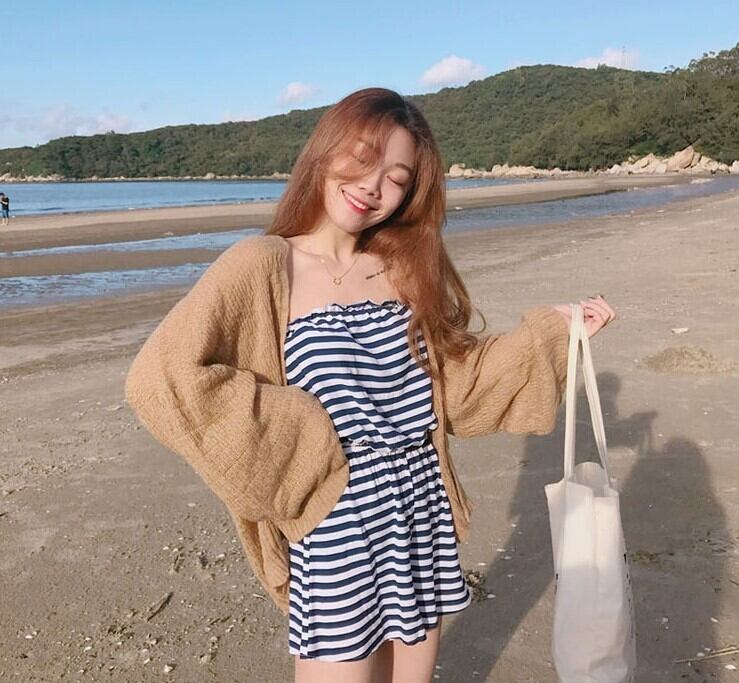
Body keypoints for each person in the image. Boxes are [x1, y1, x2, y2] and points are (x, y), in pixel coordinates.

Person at [124, 87, 615, 683]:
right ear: (325, 151)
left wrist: (553, 332)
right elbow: (162, 377)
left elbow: (457, 382)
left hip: (420, 505)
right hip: (338, 518)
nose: (372, 186)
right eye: (361, 159)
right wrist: (300, 443)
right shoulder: (262, 264)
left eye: (396, 178)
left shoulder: (403, 266)